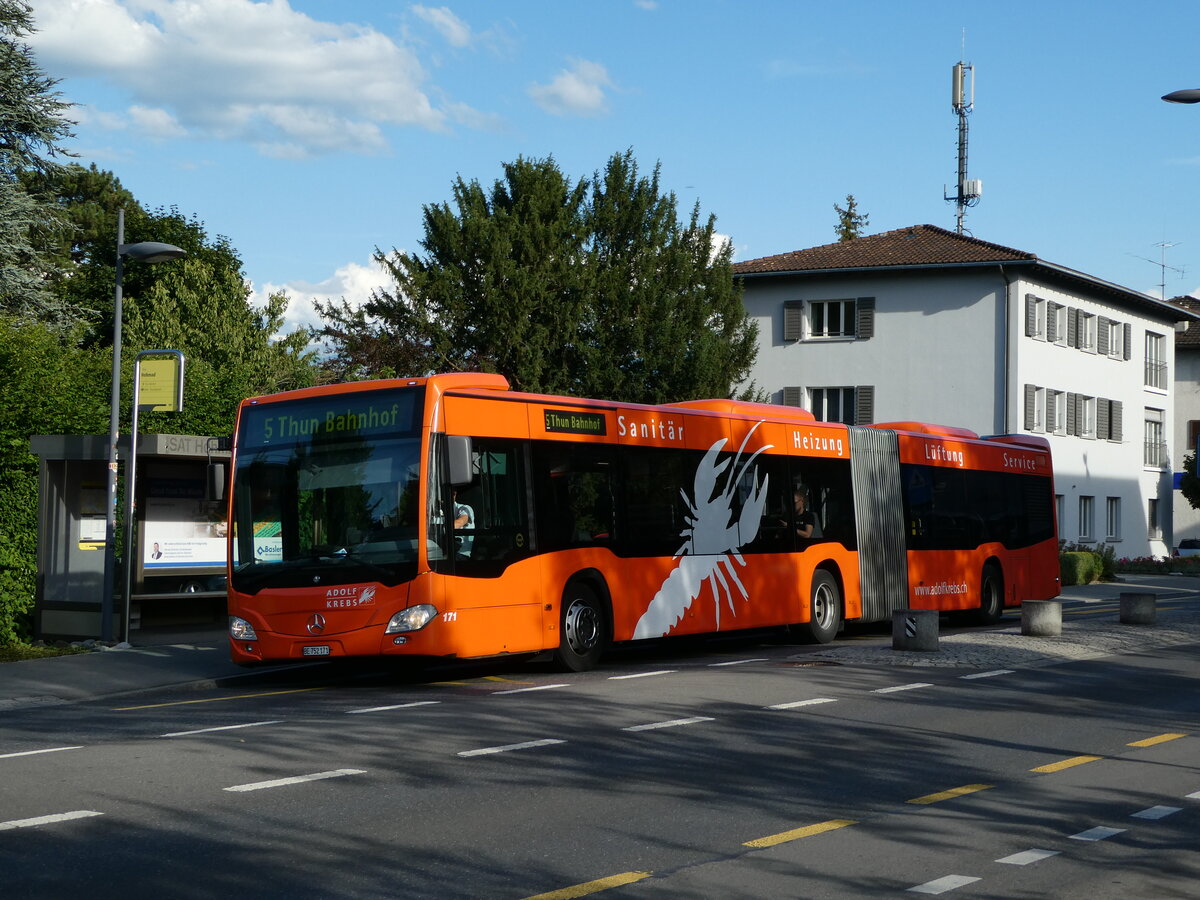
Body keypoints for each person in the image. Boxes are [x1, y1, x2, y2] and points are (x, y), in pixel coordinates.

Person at [452, 488, 474, 557]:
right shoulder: (434, 511)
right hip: (437, 551)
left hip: (460, 554)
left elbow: (460, 523)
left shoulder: (465, 508)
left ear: (454, 494)